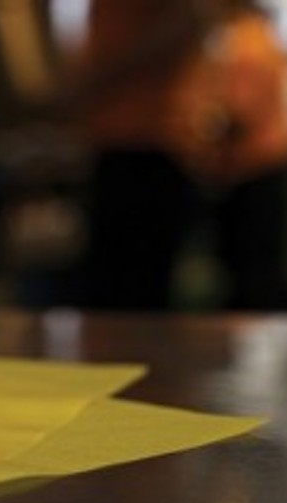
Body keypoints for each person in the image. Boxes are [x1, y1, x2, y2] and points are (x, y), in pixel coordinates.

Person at [70, 0, 214, 310]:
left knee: (131, 294)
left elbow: (186, 21)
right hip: (128, 141)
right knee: (116, 290)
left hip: (149, 143)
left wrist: (94, 81)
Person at [201, 0, 287, 311]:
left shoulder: (243, 45)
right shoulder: (265, 38)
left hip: (254, 168)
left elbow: (238, 114)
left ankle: (247, 345)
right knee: (266, 265)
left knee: (250, 271)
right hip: (274, 162)